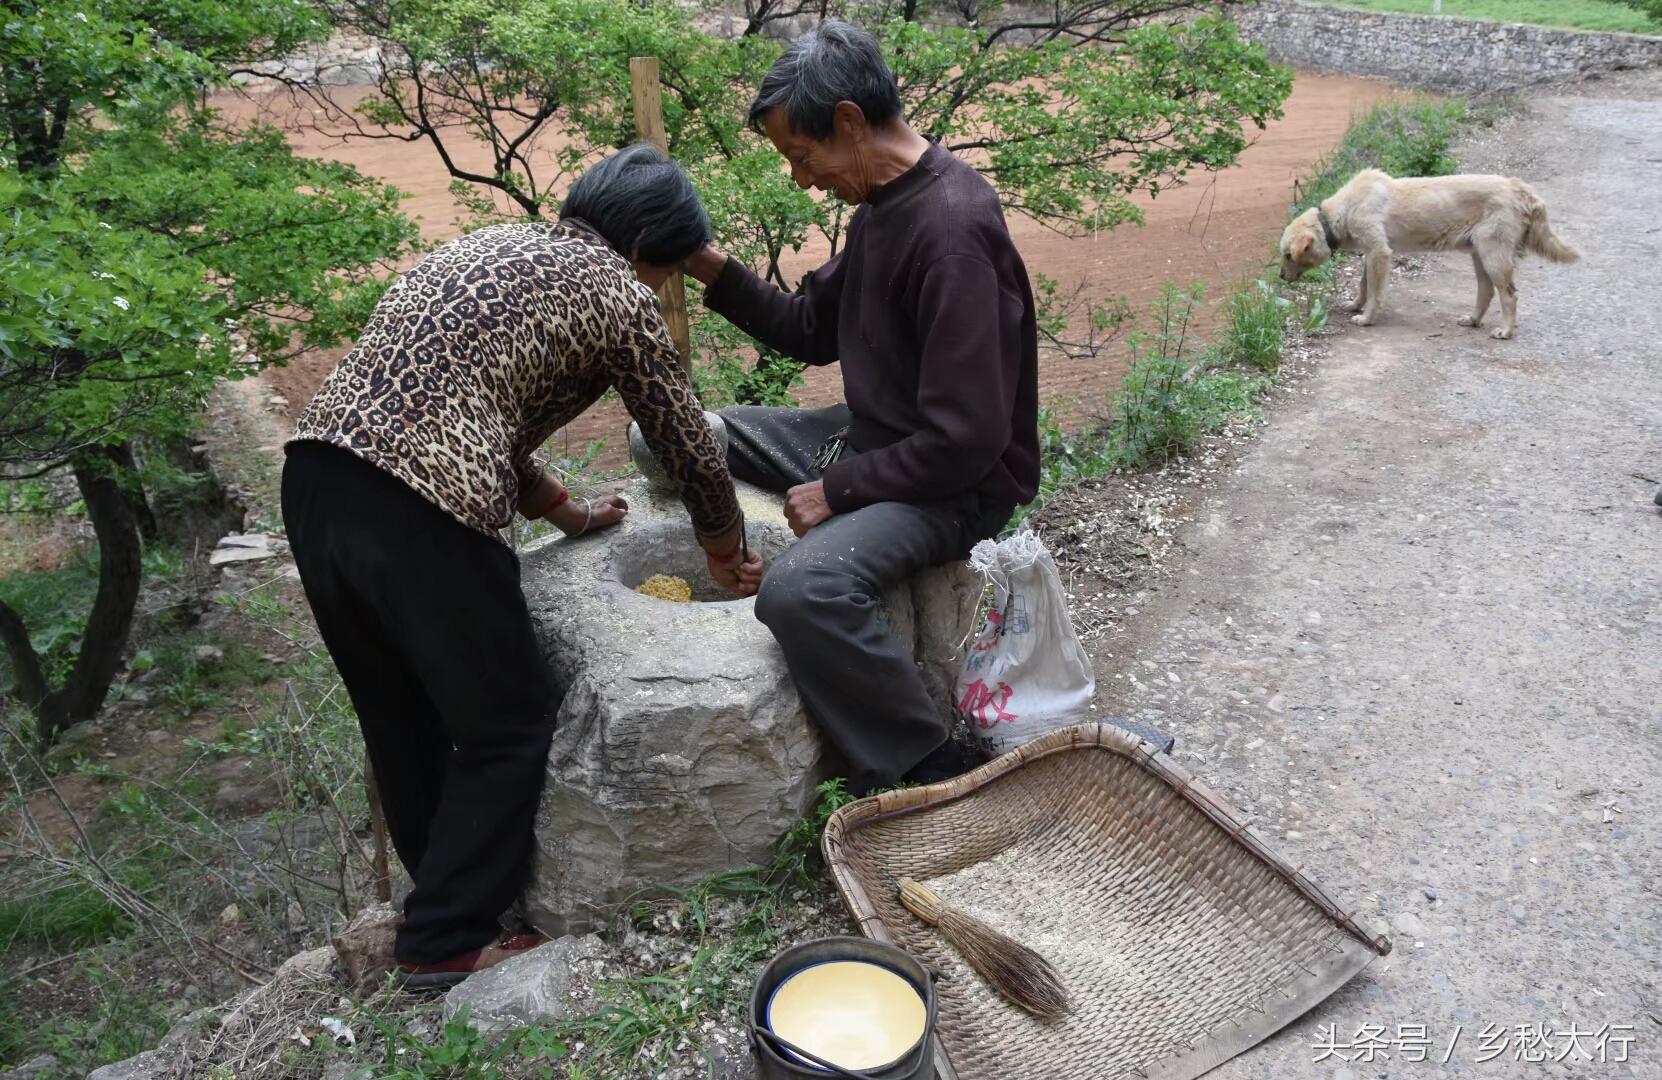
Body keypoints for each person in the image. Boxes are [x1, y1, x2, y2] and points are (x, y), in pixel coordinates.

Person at [282, 144, 763, 988]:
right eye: (671, 268)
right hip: (421, 508)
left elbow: (468, 411)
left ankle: (441, 900)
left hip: (319, 481)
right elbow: (684, 434)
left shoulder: (488, 249)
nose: (664, 286)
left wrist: (566, 513)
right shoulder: (617, 291)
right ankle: (446, 940)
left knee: (402, 712)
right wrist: (724, 544)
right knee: (507, 722)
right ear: (647, 245)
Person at [681, 22, 1040, 796]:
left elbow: (968, 438)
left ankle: (926, 768)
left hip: (954, 483)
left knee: (799, 591)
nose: (802, 181)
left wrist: (838, 490)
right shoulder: (884, 205)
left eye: (801, 158)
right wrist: (699, 256)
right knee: (681, 437)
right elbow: (810, 330)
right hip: (875, 442)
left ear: (848, 122)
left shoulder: (952, 232)